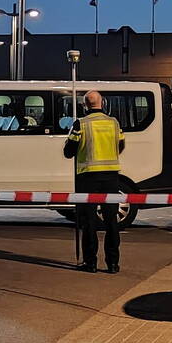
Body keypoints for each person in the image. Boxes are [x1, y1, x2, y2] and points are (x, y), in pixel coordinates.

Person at [64, 90, 125, 273]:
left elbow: (69, 152)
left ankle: (90, 263)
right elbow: (120, 145)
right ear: (103, 103)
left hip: (87, 179)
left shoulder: (80, 124)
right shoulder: (114, 123)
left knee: (89, 222)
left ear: (85, 105)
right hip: (111, 178)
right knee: (111, 222)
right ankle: (113, 263)